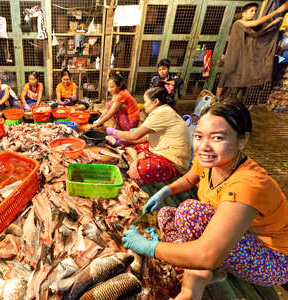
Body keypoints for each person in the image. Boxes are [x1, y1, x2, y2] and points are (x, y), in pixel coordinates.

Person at [122, 101, 288, 300]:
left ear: (243, 140)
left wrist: (150, 248)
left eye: (217, 137)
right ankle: (210, 269)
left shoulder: (248, 184)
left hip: (271, 259)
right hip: (234, 236)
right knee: (166, 213)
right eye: (199, 136)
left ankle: (193, 286)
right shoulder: (212, 161)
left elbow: (207, 255)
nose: (203, 146)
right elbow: (190, 178)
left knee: (191, 212)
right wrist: (166, 191)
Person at [105, 86, 190, 184]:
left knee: (137, 171)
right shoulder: (163, 111)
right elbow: (146, 137)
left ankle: (136, 161)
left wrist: (111, 131)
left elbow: (134, 136)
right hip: (161, 150)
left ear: (155, 102)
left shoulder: (161, 113)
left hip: (174, 161)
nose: (144, 105)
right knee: (128, 145)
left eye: (146, 102)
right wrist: (123, 141)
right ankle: (137, 158)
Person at [216, 2, 288, 100]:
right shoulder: (239, 23)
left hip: (242, 56)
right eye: (251, 11)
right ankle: (216, 98)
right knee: (225, 76)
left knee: (238, 77)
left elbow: (258, 33)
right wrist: (277, 11)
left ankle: (227, 99)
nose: (253, 13)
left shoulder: (249, 26)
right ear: (243, 13)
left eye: (255, 11)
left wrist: (273, 23)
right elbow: (256, 23)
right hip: (233, 55)